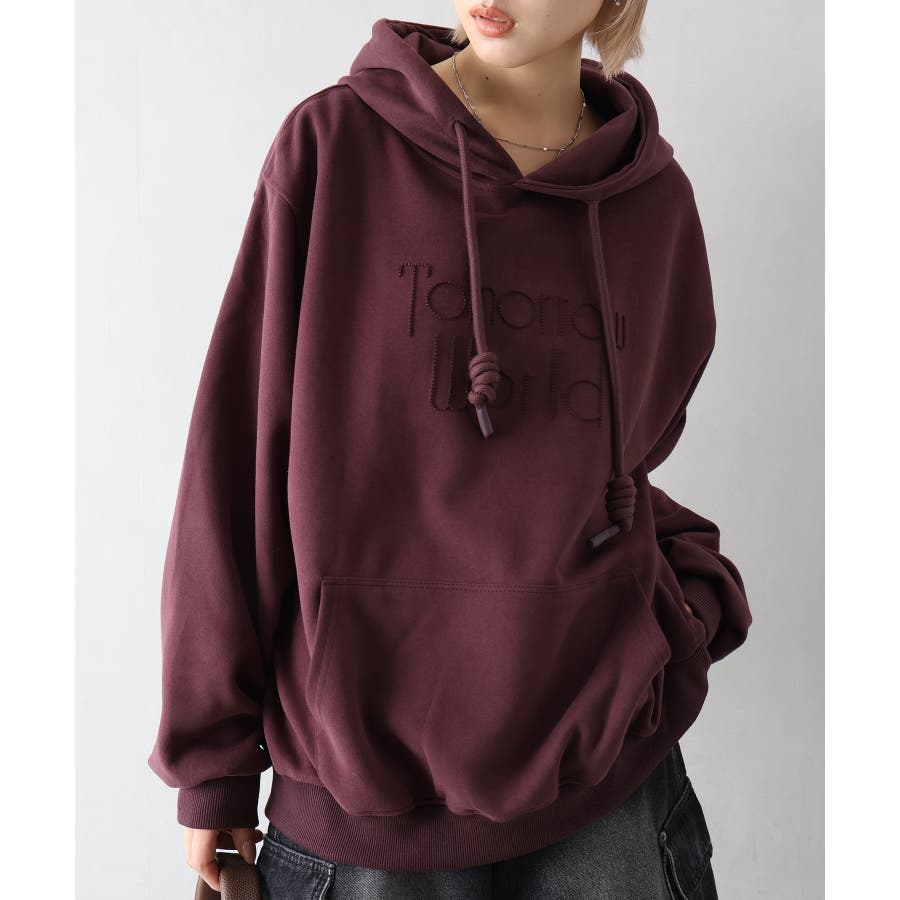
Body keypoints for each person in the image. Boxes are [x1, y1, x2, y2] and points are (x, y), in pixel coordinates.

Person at [148, 4, 753, 898]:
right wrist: (213, 759)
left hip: (609, 782)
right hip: (364, 799)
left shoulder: (655, 204)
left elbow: (619, 468)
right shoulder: (337, 145)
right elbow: (238, 457)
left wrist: (685, 608)